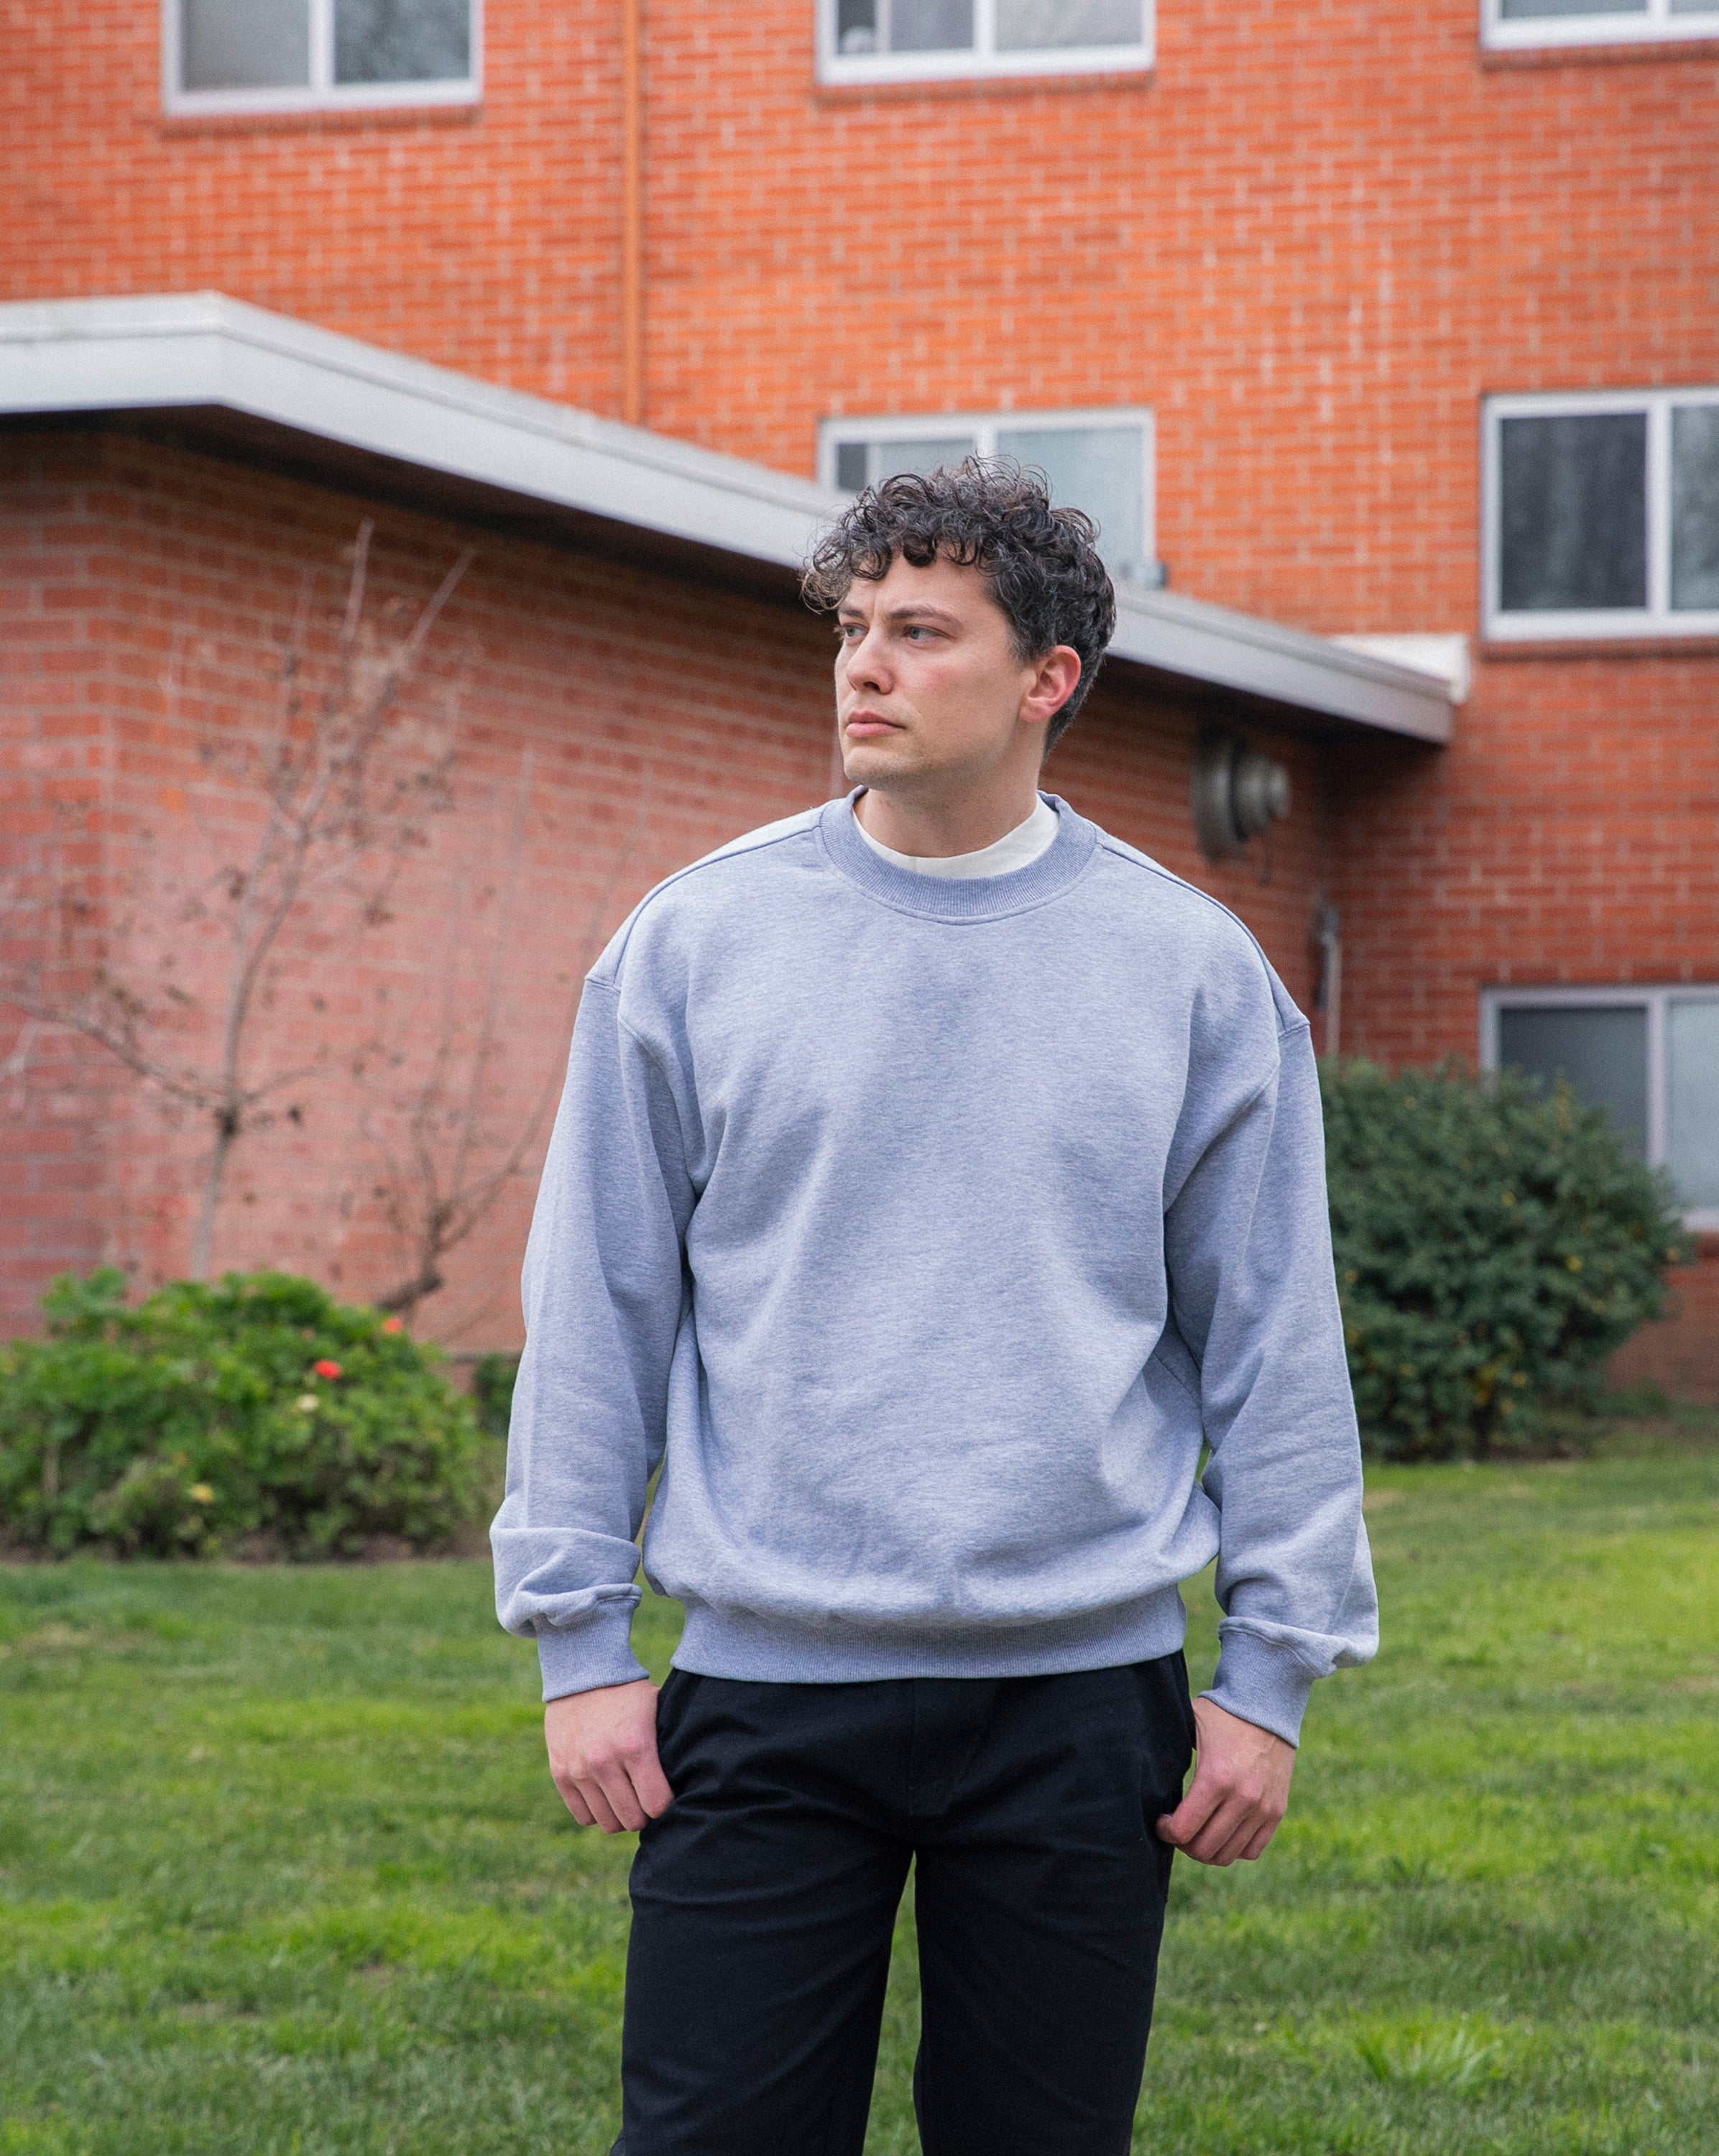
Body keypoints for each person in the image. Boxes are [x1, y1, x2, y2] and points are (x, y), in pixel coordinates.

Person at [492, 459, 1377, 2155]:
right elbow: (598, 1309)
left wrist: (1270, 1673)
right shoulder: (694, 944)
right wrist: (579, 1644)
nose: (862, 667)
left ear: (1049, 677)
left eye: (918, 630)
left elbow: (1275, 1343)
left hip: (1078, 1698)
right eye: (851, 629)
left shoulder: (1192, 975)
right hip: (761, 1695)